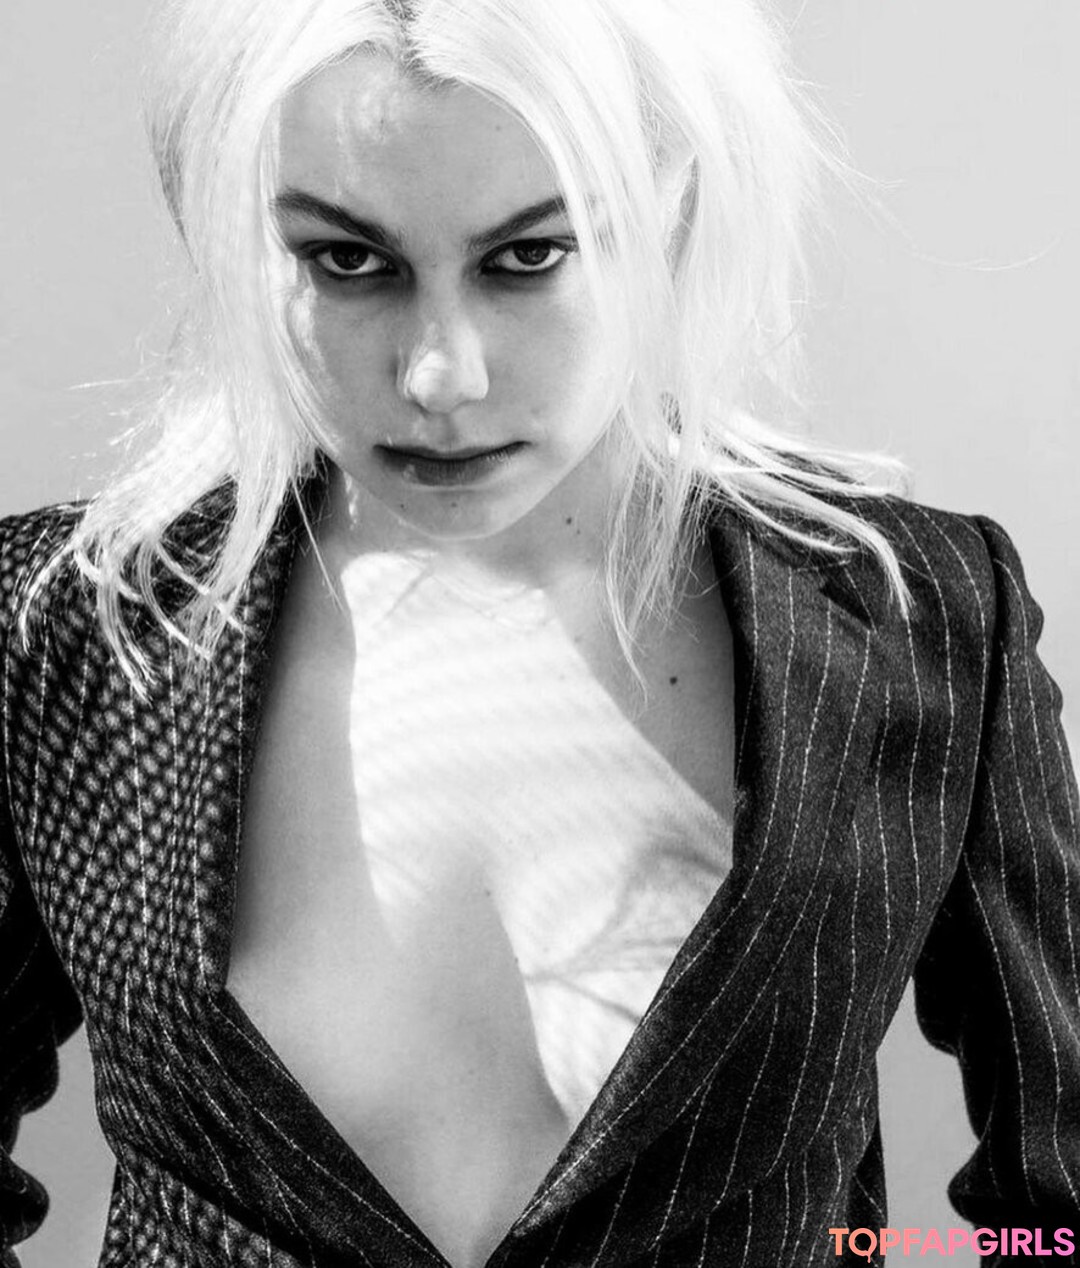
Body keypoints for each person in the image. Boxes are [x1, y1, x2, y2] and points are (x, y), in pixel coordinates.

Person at [1, 0, 1077, 1264]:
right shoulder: (60, 627)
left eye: (527, 256)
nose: (440, 374)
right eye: (347, 261)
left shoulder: (922, 620)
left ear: (671, 203)